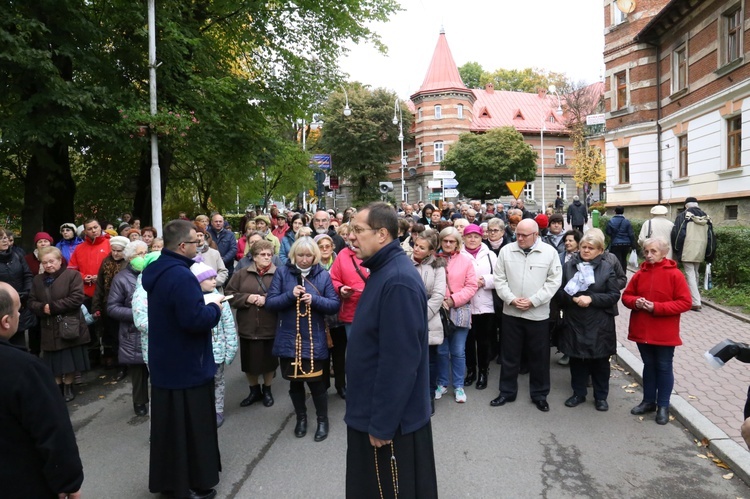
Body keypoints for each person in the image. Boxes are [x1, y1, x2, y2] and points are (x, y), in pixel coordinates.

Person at [345, 202, 437, 497]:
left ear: (382, 234)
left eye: (358, 230)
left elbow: (400, 362)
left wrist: (382, 425)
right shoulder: (384, 270)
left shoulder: (397, 280)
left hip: (390, 424)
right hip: (374, 411)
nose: (351, 237)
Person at [142, 220, 224, 499]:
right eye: (194, 241)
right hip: (187, 365)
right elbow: (194, 320)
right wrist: (213, 306)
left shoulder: (157, 270)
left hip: (166, 363)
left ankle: (171, 483)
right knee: (191, 428)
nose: (198, 244)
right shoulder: (181, 276)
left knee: (169, 429)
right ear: (181, 246)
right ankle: (189, 486)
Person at [0, 282, 84, 499]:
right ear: (6, 322)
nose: (19, 314)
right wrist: (69, 482)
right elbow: (53, 432)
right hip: (21, 483)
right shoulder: (25, 369)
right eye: (18, 310)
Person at [265, 237, 340, 442]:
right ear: (293, 255)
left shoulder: (323, 275)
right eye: (301, 255)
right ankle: (301, 419)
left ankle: (322, 420)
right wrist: (290, 295)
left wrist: (314, 299)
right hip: (289, 337)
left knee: (316, 383)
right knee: (295, 383)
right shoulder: (282, 272)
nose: (305, 259)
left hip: (314, 337)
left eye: (308, 255)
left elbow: (334, 305)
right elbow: (270, 303)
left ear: (315, 256)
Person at [491, 219, 562, 412]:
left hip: (537, 315)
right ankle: (506, 391)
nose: (519, 238)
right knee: (509, 355)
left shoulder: (549, 253)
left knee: (539, 357)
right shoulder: (507, 251)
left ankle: (539, 394)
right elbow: (499, 279)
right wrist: (511, 299)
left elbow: (553, 281)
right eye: (517, 234)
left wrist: (534, 301)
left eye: (524, 235)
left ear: (536, 235)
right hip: (511, 312)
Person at [622, 237, 692, 424]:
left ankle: (663, 405)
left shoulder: (675, 274)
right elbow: (626, 296)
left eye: (653, 251)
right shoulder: (640, 274)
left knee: (663, 366)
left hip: (664, 331)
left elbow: (685, 302)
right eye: (646, 251)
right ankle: (648, 401)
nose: (648, 255)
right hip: (642, 329)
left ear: (663, 252)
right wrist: (635, 302)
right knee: (649, 366)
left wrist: (657, 308)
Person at [557, 231, 621, 412]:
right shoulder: (569, 267)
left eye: (590, 248)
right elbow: (559, 292)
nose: (585, 250)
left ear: (600, 251)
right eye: (583, 247)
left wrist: (591, 299)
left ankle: (601, 397)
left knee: (600, 361)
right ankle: (578, 393)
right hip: (575, 320)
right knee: (577, 359)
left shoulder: (607, 268)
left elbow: (614, 295)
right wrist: (574, 299)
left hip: (600, 322)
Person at [27, 247, 91, 403]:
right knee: (54, 361)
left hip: (68, 324)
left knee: (69, 360)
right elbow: (31, 301)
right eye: (45, 262)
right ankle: (58, 387)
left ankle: (68, 386)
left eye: (51, 261)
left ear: (59, 260)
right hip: (48, 326)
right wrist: (42, 308)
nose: (48, 265)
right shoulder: (37, 280)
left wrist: (53, 307)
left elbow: (77, 298)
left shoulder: (72, 275)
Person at [226, 240, 279, 409]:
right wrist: (247, 298)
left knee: (269, 361)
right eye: (262, 254)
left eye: (269, 255)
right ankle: (254, 390)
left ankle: (267, 389)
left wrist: (267, 300)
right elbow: (229, 294)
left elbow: (285, 296)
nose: (266, 257)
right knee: (249, 361)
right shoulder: (241, 274)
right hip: (248, 325)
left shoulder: (280, 274)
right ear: (254, 257)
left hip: (270, 324)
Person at [191, 262, 238, 429]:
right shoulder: (192, 300)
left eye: (214, 277)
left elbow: (229, 326)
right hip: (199, 353)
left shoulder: (220, 299)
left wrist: (230, 349)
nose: (214, 281)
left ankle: (218, 410)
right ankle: (202, 409)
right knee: (201, 383)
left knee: (218, 381)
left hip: (217, 352)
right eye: (209, 278)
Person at [434, 227, 477, 404]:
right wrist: (439, 300)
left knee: (458, 351)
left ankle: (458, 386)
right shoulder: (433, 260)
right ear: (440, 242)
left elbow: (471, 285)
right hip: (438, 311)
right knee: (441, 350)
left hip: (459, 310)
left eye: (452, 241)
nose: (448, 244)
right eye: (445, 241)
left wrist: (453, 300)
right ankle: (442, 383)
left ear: (458, 243)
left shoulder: (466, 261)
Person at [107, 240, 150, 416]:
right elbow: (112, 307)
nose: (144, 257)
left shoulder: (152, 273)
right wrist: (138, 314)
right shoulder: (121, 278)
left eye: (145, 253)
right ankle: (139, 401)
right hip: (134, 332)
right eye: (140, 254)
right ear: (130, 257)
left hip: (153, 330)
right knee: (139, 371)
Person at [410, 229, 446, 416]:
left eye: (421, 247)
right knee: (410, 361)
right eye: (416, 245)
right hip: (406, 319)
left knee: (430, 361)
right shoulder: (407, 263)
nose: (416, 249)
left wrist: (421, 317)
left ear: (431, 251)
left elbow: (438, 295)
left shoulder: (438, 267)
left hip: (428, 320)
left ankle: (429, 395)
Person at [460, 224, 497, 391]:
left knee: (484, 341)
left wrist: (485, 280)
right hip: (465, 305)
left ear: (481, 237)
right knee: (467, 341)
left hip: (485, 305)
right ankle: (471, 371)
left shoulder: (490, 255)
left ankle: (483, 371)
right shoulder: (459, 255)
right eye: (469, 236)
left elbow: (501, 277)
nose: (472, 239)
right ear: (464, 238)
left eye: (476, 236)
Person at [92, 235, 129, 375]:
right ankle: (115, 361)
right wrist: (96, 306)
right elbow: (100, 285)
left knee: (123, 336)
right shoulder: (106, 261)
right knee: (111, 335)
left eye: (119, 250)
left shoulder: (128, 263)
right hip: (107, 303)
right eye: (113, 250)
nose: (115, 253)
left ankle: (124, 365)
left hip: (124, 305)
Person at [671, 197, 715, 311]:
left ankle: (695, 301)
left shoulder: (683, 216)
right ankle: (695, 297)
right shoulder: (707, 217)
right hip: (701, 248)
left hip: (687, 248)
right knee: (695, 273)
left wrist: (676, 249)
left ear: (686, 206)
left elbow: (678, 234)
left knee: (690, 274)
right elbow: (711, 237)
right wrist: (709, 253)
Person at [68, 218, 111, 304]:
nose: (94, 231)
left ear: (100, 228)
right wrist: (83, 277)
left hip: (107, 291)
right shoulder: (79, 248)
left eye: (95, 227)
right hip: (85, 293)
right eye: (90, 229)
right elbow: (71, 269)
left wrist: (101, 277)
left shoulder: (110, 244)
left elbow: (118, 266)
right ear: (85, 231)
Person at [207, 212, 238, 280]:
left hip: (227, 266)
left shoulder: (230, 234)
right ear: (212, 222)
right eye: (216, 221)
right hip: (211, 266)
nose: (218, 223)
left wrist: (222, 260)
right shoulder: (207, 234)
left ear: (223, 222)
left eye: (220, 221)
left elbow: (233, 249)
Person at [605, 206, 636, 272]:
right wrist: (633, 245)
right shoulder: (627, 221)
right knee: (624, 259)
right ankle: (623, 274)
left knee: (617, 259)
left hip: (615, 243)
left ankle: (618, 274)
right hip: (626, 244)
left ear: (615, 212)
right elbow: (631, 234)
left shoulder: (611, 221)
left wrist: (613, 235)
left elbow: (608, 232)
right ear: (623, 212)